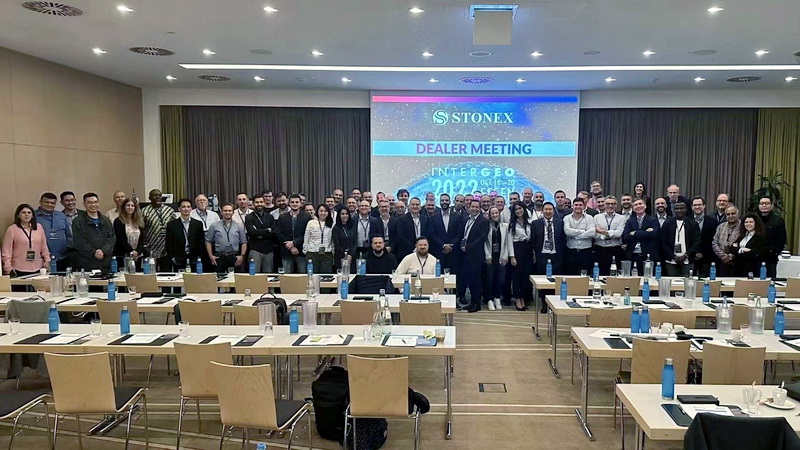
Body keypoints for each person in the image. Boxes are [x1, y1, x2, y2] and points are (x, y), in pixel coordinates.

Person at [2, 204, 50, 280]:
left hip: (37, 267)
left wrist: (47, 260)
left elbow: (44, 246)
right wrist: (8, 268)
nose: (26, 215)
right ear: (18, 215)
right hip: (18, 269)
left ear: (32, 215)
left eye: (29, 212)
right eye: (23, 212)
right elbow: (6, 251)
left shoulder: (39, 227)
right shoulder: (12, 229)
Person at [71, 193, 115, 273]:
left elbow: (111, 238)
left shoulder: (106, 220)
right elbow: (79, 242)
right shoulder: (77, 221)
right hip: (86, 262)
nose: (93, 205)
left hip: (105, 261)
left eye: (95, 202)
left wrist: (103, 251)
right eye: (89, 203)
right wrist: (94, 252)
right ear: (84, 204)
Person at [659, 202, 700, 277]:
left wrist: (686, 255)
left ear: (686, 209)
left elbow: (696, 242)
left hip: (688, 261)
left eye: (681, 208)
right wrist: (673, 256)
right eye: (677, 209)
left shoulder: (693, 223)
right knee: (672, 283)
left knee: (688, 282)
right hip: (671, 261)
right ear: (674, 210)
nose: (679, 210)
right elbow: (663, 243)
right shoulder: (667, 223)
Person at [206, 203, 248, 274]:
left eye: (229, 211)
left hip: (235, 256)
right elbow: (208, 241)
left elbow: (244, 242)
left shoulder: (239, 226)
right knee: (219, 278)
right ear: (221, 212)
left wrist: (242, 256)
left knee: (236, 279)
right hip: (219, 257)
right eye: (225, 211)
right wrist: (211, 256)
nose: (227, 212)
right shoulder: (214, 226)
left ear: (233, 212)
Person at [165, 198, 205, 271]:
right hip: (178, 259)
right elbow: (169, 243)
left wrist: (198, 256)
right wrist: (173, 258)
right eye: (183, 207)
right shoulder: (172, 225)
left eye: (188, 207)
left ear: (191, 209)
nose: (186, 209)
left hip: (194, 258)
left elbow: (201, 242)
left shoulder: (198, 224)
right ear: (179, 209)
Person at [141, 188, 176, 271]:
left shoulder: (169, 210)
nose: (157, 197)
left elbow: (174, 228)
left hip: (166, 248)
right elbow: (141, 230)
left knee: (166, 273)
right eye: (155, 195)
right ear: (149, 198)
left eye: (159, 195)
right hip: (150, 247)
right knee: (151, 272)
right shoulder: (144, 211)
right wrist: (144, 246)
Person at [428, 193, 463, 276]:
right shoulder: (433, 217)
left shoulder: (457, 217)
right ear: (439, 202)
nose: (444, 202)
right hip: (439, 252)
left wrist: (450, 246)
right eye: (442, 200)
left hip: (454, 253)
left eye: (446, 200)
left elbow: (460, 234)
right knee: (439, 277)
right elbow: (432, 235)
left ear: (450, 202)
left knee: (454, 277)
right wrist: (443, 245)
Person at [622, 198, 660, 274]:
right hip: (632, 255)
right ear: (633, 208)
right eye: (636, 205)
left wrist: (635, 233)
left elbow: (654, 234)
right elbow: (625, 237)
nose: (638, 206)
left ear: (645, 206)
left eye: (640, 204)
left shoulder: (652, 220)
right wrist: (645, 233)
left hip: (648, 255)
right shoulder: (630, 221)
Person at [507, 201, 533, 311]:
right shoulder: (512, 224)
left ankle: (523, 298)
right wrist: (512, 256)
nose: (518, 211)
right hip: (517, 249)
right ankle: (517, 299)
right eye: (516, 209)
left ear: (524, 209)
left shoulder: (529, 222)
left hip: (528, 249)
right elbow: (509, 241)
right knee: (517, 276)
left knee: (525, 276)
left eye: (520, 208)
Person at [35, 192, 71, 271]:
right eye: (46, 202)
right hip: (41, 260)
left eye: (52, 203)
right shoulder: (33, 217)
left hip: (62, 258)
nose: (49, 205)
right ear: (40, 202)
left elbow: (68, 235)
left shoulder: (61, 216)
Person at [276, 194, 311, 273]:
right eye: (292, 202)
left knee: (302, 275)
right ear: (289, 203)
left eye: (297, 202)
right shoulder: (282, 217)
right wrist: (290, 246)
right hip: (286, 250)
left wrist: (294, 243)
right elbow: (279, 233)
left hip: (301, 251)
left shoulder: (307, 216)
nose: (295, 204)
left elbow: (307, 233)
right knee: (287, 276)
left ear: (300, 203)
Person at [483, 206, 509, 311]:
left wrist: (505, 256)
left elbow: (507, 242)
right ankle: (489, 299)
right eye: (492, 213)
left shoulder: (505, 226)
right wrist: (487, 255)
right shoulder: (486, 226)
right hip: (490, 257)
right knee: (489, 279)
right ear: (489, 215)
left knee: (501, 279)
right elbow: (484, 242)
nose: (494, 215)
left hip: (501, 257)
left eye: (496, 213)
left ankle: (497, 298)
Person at [593, 196, 626, 275]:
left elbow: (619, 233)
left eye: (613, 204)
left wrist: (602, 232)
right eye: (608, 204)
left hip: (615, 249)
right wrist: (608, 234)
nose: (610, 206)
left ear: (616, 205)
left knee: (615, 274)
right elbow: (594, 234)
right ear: (604, 204)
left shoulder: (622, 218)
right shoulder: (596, 217)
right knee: (600, 274)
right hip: (600, 249)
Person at [563, 197, 596, 275]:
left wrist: (575, 235)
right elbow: (567, 231)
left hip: (586, 252)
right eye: (576, 205)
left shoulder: (590, 218)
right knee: (571, 275)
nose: (578, 207)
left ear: (584, 206)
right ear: (572, 206)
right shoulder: (567, 218)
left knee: (586, 276)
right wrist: (583, 231)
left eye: (580, 205)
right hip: (571, 252)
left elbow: (592, 233)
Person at [245, 195, 277, 273]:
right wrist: (267, 230)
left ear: (264, 203)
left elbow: (274, 233)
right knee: (254, 275)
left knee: (268, 275)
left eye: (261, 202)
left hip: (269, 251)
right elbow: (252, 233)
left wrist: (259, 232)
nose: (259, 204)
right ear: (253, 204)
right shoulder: (249, 217)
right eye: (257, 202)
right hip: (255, 250)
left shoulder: (270, 217)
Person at [113, 197, 146, 270]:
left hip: (137, 255)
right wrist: (131, 251)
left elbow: (142, 239)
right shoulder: (118, 221)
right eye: (128, 205)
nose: (130, 207)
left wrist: (137, 251)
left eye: (132, 206)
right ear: (124, 207)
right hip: (123, 254)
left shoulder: (140, 221)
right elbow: (121, 239)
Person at [757, 197, 787, 278]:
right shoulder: (754, 218)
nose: (764, 205)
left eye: (766, 203)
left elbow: (782, 239)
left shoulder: (778, 220)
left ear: (772, 205)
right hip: (755, 257)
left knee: (769, 280)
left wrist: (775, 252)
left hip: (770, 258)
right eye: (761, 203)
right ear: (758, 205)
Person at [300, 204, 334, 273]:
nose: (323, 213)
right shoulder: (311, 222)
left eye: (325, 211)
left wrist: (332, 252)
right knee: (312, 275)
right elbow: (306, 237)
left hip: (327, 253)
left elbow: (332, 240)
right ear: (317, 212)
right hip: (312, 252)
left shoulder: (331, 223)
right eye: (321, 211)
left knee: (326, 276)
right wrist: (305, 251)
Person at [690, 196, 719, 277]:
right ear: (692, 207)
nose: (697, 207)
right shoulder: (687, 221)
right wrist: (694, 253)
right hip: (690, 258)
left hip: (707, 258)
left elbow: (713, 240)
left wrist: (703, 253)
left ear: (704, 206)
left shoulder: (713, 221)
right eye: (695, 205)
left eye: (699, 204)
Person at [712, 205, 742, 277]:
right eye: (728, 214)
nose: (730, 216)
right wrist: (723, 256)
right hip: (722, 261)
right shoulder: (721, 226)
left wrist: (731, 256)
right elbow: (714, 243)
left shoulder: (743, 226)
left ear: (738, 213)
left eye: (733, 213)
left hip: (738, 262)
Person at [332, 207, 357, 272]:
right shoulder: (336, 228)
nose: (345, 216)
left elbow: (355, 242)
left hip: (352, 256)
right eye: (342, 214)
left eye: (346, 214)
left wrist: (350, 254)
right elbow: (336, 244)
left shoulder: (353, 227)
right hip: (340, 256)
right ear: (339, 215)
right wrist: (345, 255)